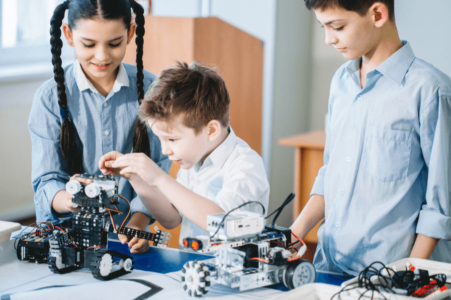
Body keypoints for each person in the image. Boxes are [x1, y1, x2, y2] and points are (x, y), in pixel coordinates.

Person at [291, 0, 451, 275]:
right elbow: (331, 174)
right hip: (330, 266)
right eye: (323, 28)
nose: (329, 39)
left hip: (391, 277)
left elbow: (440, 208)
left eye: (337, 26)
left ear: (377, 14)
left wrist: (406, 278)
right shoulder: (341, 82)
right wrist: (295, 232)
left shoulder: (430, 91)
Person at [28, 0, 171, 254]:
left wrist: (138, 222)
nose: (102, 56)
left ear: (130, 33)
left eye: (114, 43)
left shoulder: (152, 89)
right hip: (67, 240)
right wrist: (70, 200)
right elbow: (46, 179)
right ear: (69, 35)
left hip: (126, 243)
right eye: (89, 44)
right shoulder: (49, 98)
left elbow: (159, 169)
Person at [99, 62, 270, 248]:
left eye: (172, 140)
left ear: (211, 130)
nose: (165, 150)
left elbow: (225, 226)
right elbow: (171, 218)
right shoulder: (195, 159)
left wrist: (159, 178)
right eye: (161, 139)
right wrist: (134, 176)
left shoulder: (245, 165)